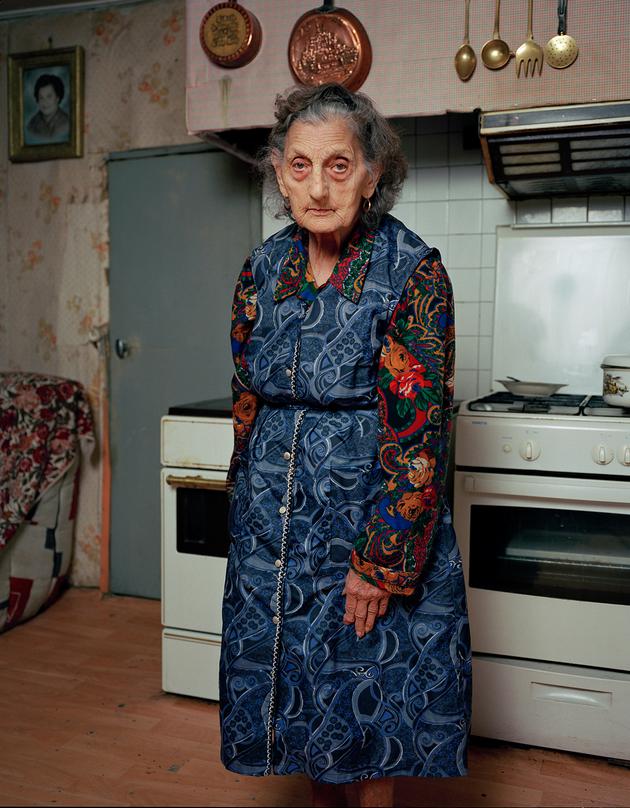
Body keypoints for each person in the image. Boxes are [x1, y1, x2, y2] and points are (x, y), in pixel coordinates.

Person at [220, 83, 471, 808]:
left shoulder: (410, 269)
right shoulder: (262, 271)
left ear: (371, 173)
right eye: (300, 166)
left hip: (363, 525)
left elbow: (420, 430)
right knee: (300, 697)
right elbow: (245, 397)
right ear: (277, 172)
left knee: (368, 697)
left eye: (338, 165)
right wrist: (249, 517)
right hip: (275, 532)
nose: (318, 186)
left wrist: (380, 560)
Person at [26, 74, 70, 142]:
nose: (45, 102)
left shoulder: (67, 122)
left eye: (49, 97)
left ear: (57, 98)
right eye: (41, 98)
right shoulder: (32, 125)